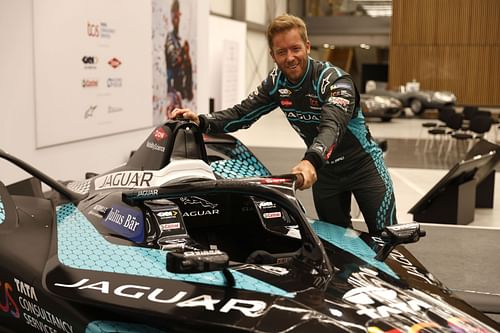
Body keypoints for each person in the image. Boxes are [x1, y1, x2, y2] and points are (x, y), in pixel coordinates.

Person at [171, 14, 397, 234]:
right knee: (339, 244)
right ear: (273, 55)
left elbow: (332, 125)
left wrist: (311, 161)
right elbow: (242, 114)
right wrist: (202, 121)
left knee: (387, 238)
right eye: (282, 52)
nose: (290, 57)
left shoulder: (334, 80)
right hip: (326, 174)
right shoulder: (276, 82)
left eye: (296, 49)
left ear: (307, 47)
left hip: (364, 167)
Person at [165, 0, 193, 115]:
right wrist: (183, 53)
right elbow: (174, 60)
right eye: (174, 14)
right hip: (173, 92)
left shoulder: (179, 40)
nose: (177, 17)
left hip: (180, 92)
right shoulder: (170, 38)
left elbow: (186, 67)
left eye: (178, 14)